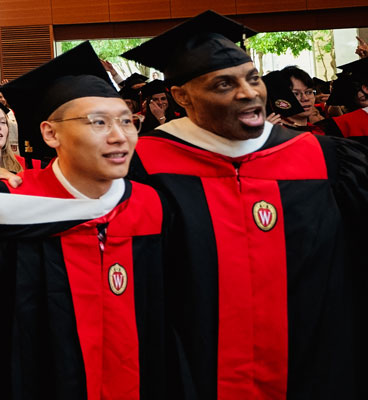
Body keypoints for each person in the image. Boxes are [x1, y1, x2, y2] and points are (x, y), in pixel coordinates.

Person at [120, 11, 368, 397]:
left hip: (316, 365)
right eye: (224, 83)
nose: (248, 93)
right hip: (195, 370)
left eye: (253, 79)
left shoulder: (323, 158)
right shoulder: (142, 167)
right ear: (180, 96)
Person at [0, 41, 171, 399]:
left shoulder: (153, 205)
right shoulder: (8, 204)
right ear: (50, 134)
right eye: (98, 122)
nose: (119, 134)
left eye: (127, 120)